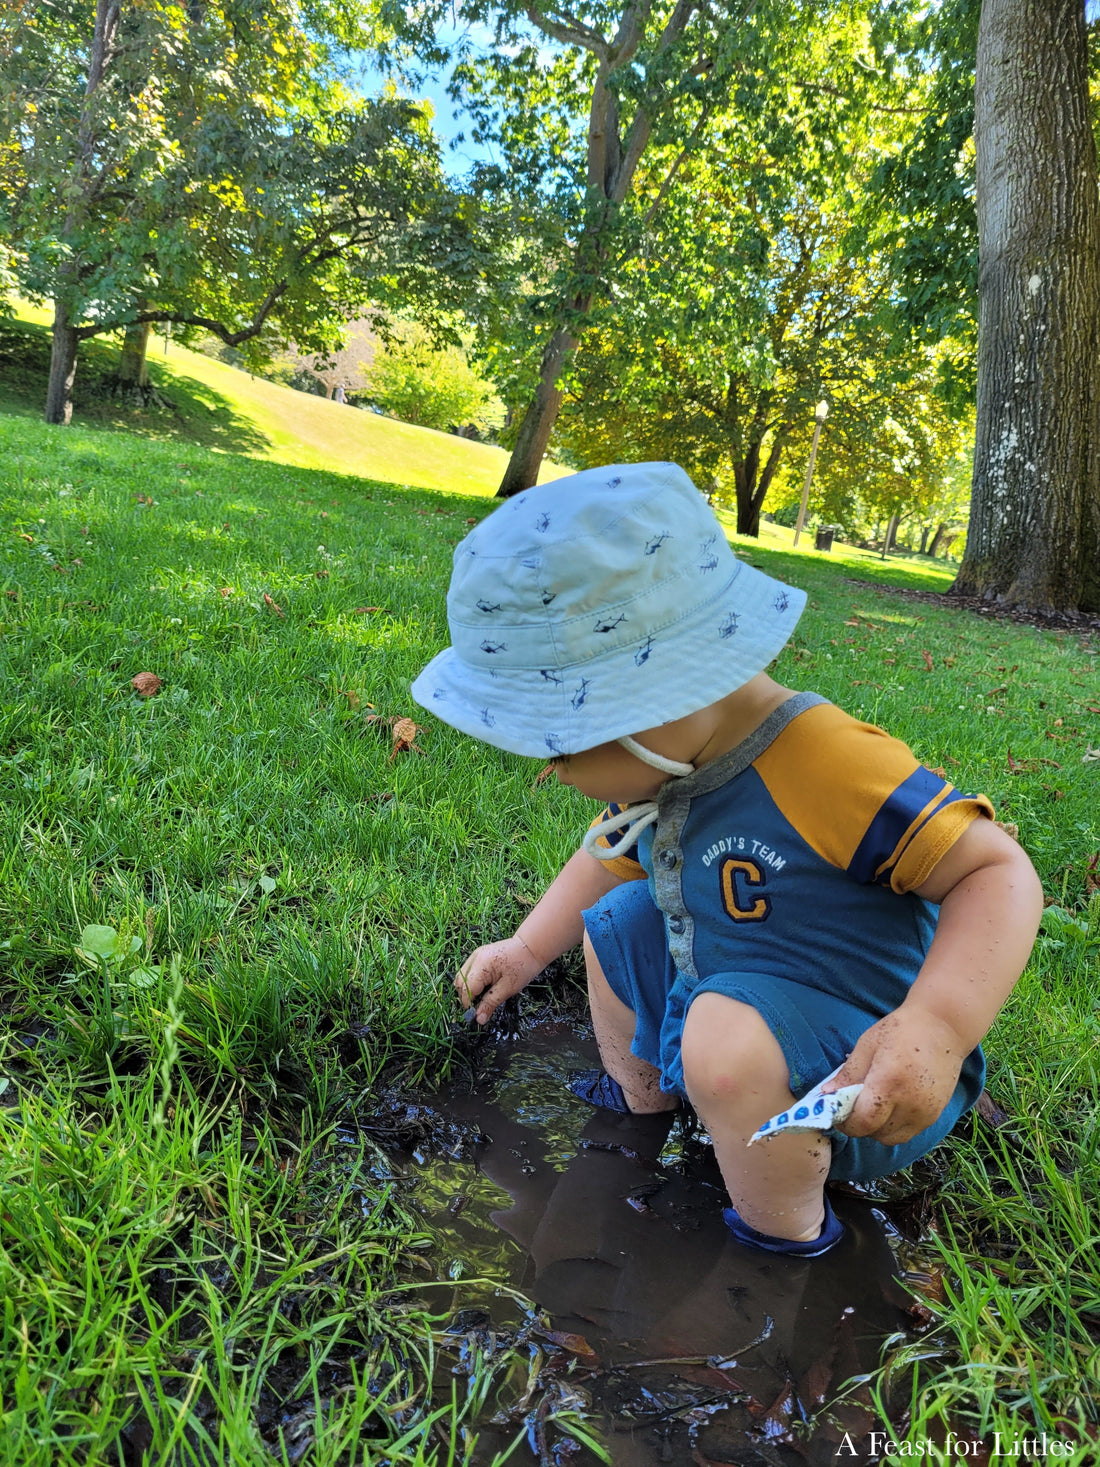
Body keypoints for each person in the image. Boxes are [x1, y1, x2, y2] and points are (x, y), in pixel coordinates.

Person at [411, 462, 1042, 1258]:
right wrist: (528, 948)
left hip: (855, 1068)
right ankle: (634, 1112)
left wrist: (939, 1026)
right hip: (728, 996)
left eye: (561, 744)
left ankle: (779, 1244)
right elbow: (607, 854)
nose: (553, 770)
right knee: (617, 921)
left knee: (724, 1036)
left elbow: (997, 872)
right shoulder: (672, 760)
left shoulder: (825, 762)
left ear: (657, 699)